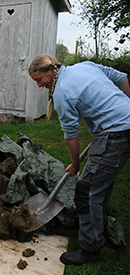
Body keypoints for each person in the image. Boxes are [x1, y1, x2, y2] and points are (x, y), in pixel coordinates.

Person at [29, 54, 130, 266]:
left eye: (39, 80)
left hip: (115, 135)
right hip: (123, 127)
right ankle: (98, 229)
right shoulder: (84, 66)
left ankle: (90, 249)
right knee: (101, 185)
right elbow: (121, 77)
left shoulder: (62, 92)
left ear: (51, 71)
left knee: (86, 192)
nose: (39, 85)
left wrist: (75, 164)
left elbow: (70, 134)